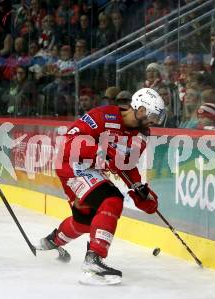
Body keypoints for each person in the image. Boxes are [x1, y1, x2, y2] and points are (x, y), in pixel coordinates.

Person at [38, 88, 164, 285]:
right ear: (139, 109)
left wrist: (139, 188)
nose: (154, 121)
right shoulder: (103, 116)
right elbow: (69, 143)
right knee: (111, 200)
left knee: (85, 222)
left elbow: (127, 166)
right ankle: (94, 260)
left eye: (158, 117)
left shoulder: (141, 136)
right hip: (71, 164)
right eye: (152, 115)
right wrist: (100, 153)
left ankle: (51, 242)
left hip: (91, 170)